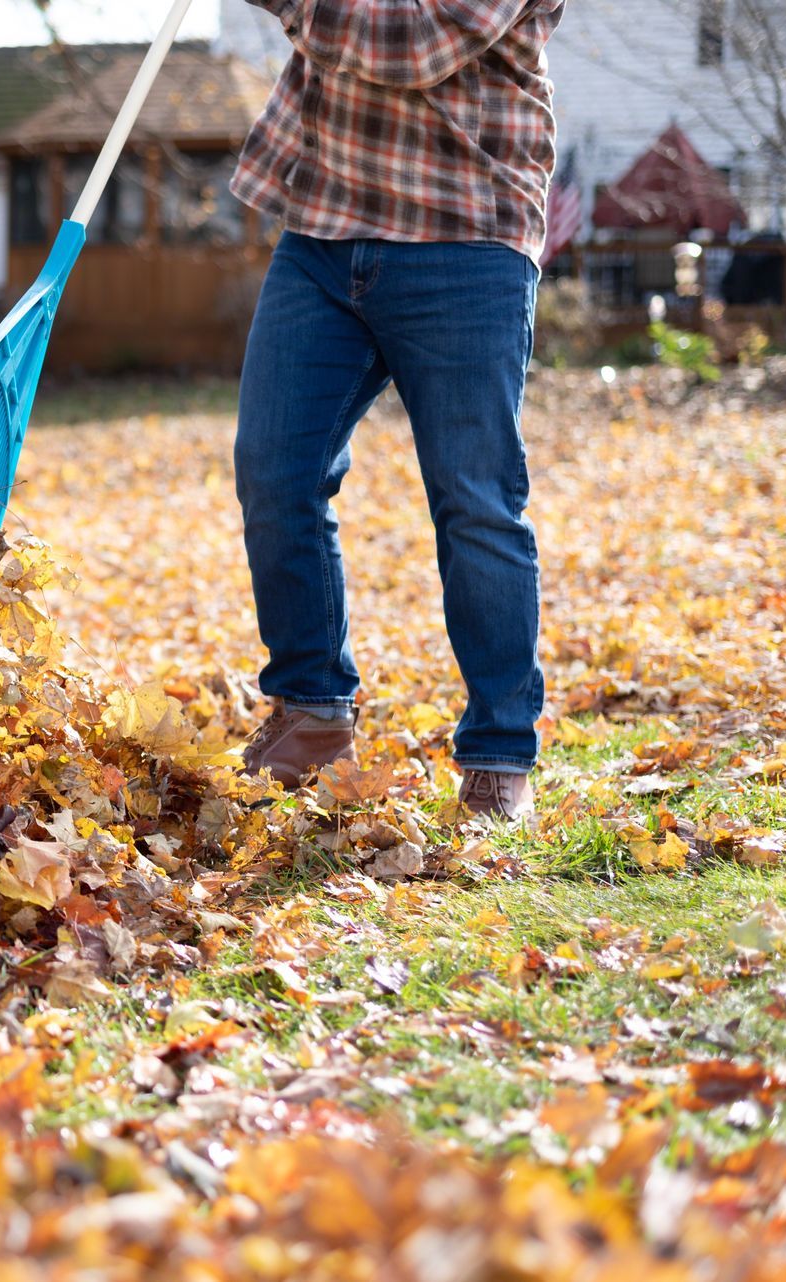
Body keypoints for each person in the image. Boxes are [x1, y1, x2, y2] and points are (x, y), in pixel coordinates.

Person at [228, 0, 565, 821]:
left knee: (475, 499)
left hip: (467, 234)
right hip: (323, 230)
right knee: (275, 472)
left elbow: (409, 43)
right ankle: (312, 709)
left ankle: (498, 749)